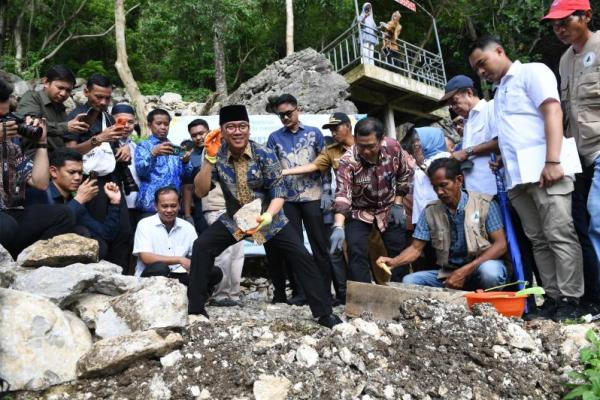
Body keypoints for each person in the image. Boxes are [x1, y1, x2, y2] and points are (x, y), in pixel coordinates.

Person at [188, 104, 341, 328]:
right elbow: (200, 191)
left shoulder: (264, 154)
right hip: (236, 220)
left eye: (242, 126)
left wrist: (268, 216)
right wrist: (208, 161)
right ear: (222, 130)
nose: (237, 131)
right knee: (202, 246)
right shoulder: (216, 154)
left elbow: (279, 192)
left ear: (249, 129)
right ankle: (195, 310)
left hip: (268, 218)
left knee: (301, 255)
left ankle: (324, 313)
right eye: (231, 127)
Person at [469, 36, 584, 321]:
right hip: (516, 178)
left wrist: (553, 160)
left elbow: (552, 111)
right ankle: (553, 297)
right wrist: (502, 161)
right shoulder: (498, 96)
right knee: (539, 240)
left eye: (483, 63)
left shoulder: (532, 72)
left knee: (559, 233)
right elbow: (512, 133)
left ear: (499, 50)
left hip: (546, 169)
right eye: (477, 69)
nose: (482, 71)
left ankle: (572, 299)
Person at [542, 0, 600, 310]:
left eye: (565, 21)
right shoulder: (565, 60)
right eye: (554, 24)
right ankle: (593, 297)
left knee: (598, 221)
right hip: (579, 156)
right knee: (580, 223)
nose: (559, 28)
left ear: (587, 16)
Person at [377, 158, 509, 290]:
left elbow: (501, 245)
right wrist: (394, 262)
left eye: (444, 185)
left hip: (479, 269)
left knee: (490, 272)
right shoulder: (430, 211)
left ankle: (490, 307)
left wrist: (465, 271)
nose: (439, 191)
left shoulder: (485, 204)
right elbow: (415, 249)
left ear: (459, 180)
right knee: (409, 281)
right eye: (435, 187)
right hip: (449, 275)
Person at [267, 94, 333, 305]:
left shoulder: (314, 134)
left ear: (298, 110)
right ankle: (300, 292)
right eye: (281, 115)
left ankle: (324, 292)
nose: (285, 117)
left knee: (320, 246)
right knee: (294, 249)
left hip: (313, 197)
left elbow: (325, 164)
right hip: (287, 200)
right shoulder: (274, 137)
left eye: (289, 113)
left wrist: (327, 192)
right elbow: (272, 169)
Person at [283, 112, 355, 303]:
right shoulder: (331, 151)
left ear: (348, 126)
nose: (333, 131)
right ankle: (342, 294)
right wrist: (284, 171)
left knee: (359, 252)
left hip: (364, 209)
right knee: (335, 252)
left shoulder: (365, 145)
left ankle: (368, 292)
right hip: (339, 208)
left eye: (336, 127)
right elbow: (313, 167)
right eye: (330, 129)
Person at [0, 78, 76, 258]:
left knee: (64, 214)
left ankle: (25, 262)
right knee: (6, 225)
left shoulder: (10, 146)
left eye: (6, 117)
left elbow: (40, 183)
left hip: (11, 212)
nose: (5, 123)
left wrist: (42, 143)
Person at [332, 117, 413, 283]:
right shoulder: (347, 162)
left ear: (381, 139)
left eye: (371, 146)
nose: (366, 151)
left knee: (397, 250)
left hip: (389, 208)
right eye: (361, 146)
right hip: (359, 211)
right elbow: (343, 195)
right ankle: (363, 296)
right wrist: (338, 226)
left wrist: (398, 204)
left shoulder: (393, 147)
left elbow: (403, 175)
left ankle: (401, 293)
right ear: (355, 140)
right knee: (356, 252)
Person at [64, 74, 131, 270]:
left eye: (107, 98)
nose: (103, 102)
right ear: (86, 92)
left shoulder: (108, 117)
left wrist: (123, 150)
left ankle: (121, 277)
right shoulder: (77, 117)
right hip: (87, 181)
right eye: (98, 97)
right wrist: (98, 138)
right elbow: (69, 153)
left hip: (112, 180)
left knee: (123, 231)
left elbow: (113, 146)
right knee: (99, 233)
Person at [26, 148, 122, 260]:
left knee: (99, 242)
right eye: (71, 172)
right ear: (53, 171)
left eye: (80, 173)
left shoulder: (75, 200)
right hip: (36, 257)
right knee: (81, 231)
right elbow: (41, 237)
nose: (77, 178)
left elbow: (106, 234)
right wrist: (78, 201)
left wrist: (114, 202)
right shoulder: (38, 194)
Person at [132, 186, 215, 286]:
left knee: (213, 272)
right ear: (156, 206)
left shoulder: (187, 227)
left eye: (173, 206)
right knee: (160, 268)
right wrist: (179, 259)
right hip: (152, 276)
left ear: (179, 205)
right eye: (165, 206)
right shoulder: (145, 224)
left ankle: (197, 299)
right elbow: (146, 257)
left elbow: (195, 254)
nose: (169, 210)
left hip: (179, 275)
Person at [441, 75, 498, 196]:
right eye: (451, 105)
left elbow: (500, 142)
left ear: (469, 93)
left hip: (495, 189)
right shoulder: (467, 122)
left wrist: (466, 152)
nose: (454, 108)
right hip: (475, 193)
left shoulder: (491, 108)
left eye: (455, 102)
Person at [17, 64, 88, 155]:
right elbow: (31, 125)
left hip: (59, 161)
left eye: (68, 90)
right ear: (46, 82)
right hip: (36, 159)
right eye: (60, 88)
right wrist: (66, 127)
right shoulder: (32, 97)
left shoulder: (61, 108)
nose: (63, 93)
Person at [134, 109, 193, 214]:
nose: (163, 127)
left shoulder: (175, 148)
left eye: (166, 124)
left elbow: (186, 177)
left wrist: (186, 162)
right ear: (149, 125)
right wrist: (153, 154)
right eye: (158, 123)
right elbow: (141, 172)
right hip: (150, 206)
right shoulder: (143, 146)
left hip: (174, 207)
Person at [182, 118, 210, 233]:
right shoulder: (190, 158)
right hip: (201, 209)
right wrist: (188, 215)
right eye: (194, 135)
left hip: (225, 206)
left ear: (209, 131)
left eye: (201, 133)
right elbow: (187, 187)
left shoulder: (223, 150)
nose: (198, 138)